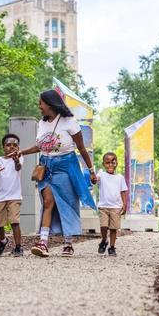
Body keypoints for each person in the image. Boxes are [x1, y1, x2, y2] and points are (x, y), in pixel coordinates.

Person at [15, 90, 97, 258]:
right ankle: (43, 242)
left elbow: (81, 148)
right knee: (47, 202)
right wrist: (22, 152)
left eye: (41, 103)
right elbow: (41, 146)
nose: (39, 107)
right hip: (46, 166)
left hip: (65, 165)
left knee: (66, 202)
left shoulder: (69, 122)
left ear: (50, 104)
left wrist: (91, 170)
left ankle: (68, 243)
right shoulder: (42, 123)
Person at [0, 133, 24, 257]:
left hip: (14, 196)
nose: (12, 147)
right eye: (8, 145)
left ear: (18, 148)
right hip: (1, 197)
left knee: (14, 222)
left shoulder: (19, 157)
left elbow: (18, 168)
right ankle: (3, 241)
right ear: (3, 147)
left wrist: (16, 160)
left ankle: (18, 247)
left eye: (15, 145)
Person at [94, 152, 128, 256]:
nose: (110, 165)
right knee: (104, 226)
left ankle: (112, 247)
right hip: (103, 206)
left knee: (114, 228)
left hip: (116, 207)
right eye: (107, 163)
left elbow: (123, 191)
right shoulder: (101, 175)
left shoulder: (120, 177)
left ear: (116, 163)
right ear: (103, 164)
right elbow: (95, 180)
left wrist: (124, 204)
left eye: (113, 162)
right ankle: (104, 240)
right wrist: (93, 178)